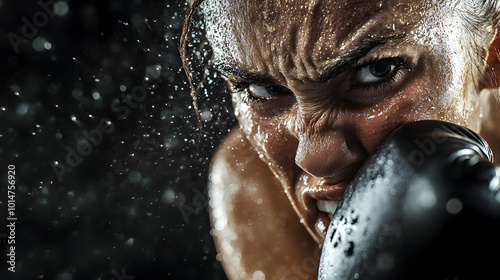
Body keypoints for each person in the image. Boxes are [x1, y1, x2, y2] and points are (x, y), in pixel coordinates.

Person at [181, 0, 500, 279]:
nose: (313, 159)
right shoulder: (255, 188)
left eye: (378, 70)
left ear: (494, 51)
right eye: (263, 90)